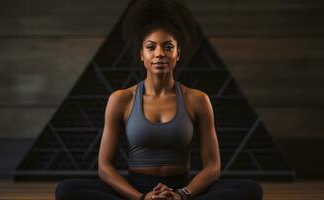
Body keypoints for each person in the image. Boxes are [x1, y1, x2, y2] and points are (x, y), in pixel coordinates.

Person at [55, 0, 263, 200]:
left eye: (168, 47)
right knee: (67, 190)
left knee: (250, 190)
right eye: (151, 47)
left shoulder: (198, 99)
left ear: (177, 54)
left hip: (182, 188)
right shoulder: (121, 99)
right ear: (142, 55)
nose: (159, 54)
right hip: (136, 188)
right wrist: (141, 197)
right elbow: (105, 167)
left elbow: (212, 167)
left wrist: (182, 194)